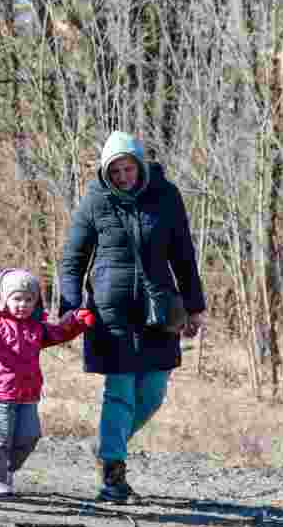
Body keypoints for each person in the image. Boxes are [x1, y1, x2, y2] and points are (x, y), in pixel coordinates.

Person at [58, 131, 206, 504]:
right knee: (120, 392)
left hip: (159, 309)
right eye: (115, 171)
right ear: (105, 172)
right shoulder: (96, 199)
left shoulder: (166, 196)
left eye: (128, 169)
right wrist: (70, 306)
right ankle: (113, 474)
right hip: (112, 312)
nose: (123, 177)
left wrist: (194, 305)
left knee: (153, 393)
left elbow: (184, 255)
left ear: (140, 165)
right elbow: (73, 258)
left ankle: (108, 445)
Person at [0, 268, 95, 499]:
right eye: (17, 299)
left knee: (30, 436)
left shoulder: (37, 327)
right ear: (4, 299)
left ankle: (5, 470)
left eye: (29, 300)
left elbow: (60, 332)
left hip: (28, 393)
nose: (23, 305)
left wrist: (77, 322)